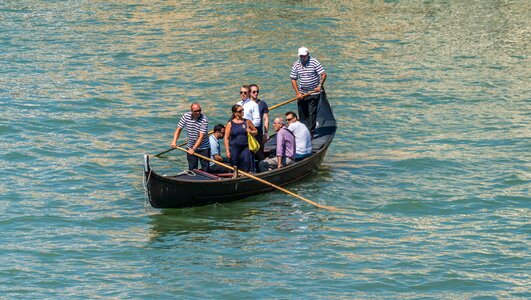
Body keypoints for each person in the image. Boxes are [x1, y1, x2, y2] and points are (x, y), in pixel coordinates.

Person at [290, 47, 327, 134]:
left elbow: (323, 74)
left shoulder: (314, 62)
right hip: (302, 93)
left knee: (311, 113)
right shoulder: (296, 64)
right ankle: (303, 131)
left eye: (304, 56)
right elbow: (293, 79)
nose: (302, 58)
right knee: (302, 114)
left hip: (314, 92)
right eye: (301, 56)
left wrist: (320, 85)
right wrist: (297, 93)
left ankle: (310, 133)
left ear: (308, 54)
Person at [171, 102, 210, 171]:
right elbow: (178, 129)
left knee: (205, 170)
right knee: (192, 170)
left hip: (204, 148)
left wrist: (193, 149)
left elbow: (201, 137)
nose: (198, 112)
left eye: (199, 110)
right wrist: (174, 141)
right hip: (190, 146)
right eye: (196, 111)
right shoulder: (186, 116)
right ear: (191, 111)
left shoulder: (204, 119)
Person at [224, 104, 258, 172]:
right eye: (240, 111)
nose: (242, 112)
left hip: (245, 148)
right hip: (234, 149)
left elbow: (256, 132)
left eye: (242, 110)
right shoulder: (230, 123)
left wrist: (251, 132)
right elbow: (226, 138)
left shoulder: (247, 122)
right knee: (235, 165)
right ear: (235, 113)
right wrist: (227, 150)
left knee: (247, 163)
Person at [249, 84, 269, 160]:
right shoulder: (246, 104)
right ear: (249, 93)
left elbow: (266, 119)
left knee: (260, 151)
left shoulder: (262, 104)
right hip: (249, 132)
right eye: (253, 92)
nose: (256, 93)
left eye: (257, 92)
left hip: (259, 132)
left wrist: (266, 133)